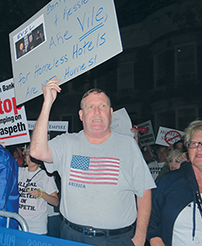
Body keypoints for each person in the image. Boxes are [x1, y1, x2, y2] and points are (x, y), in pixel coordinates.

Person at [30, 78, 155, 245]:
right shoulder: (67, 143)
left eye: (102, 106)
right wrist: (47, 103)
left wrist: (140, 235)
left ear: (110, 113)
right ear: (81, 115)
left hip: (117, 240)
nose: (97, 112)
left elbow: (144, 191)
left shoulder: (128, 144)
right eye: (90, 107)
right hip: (72, 236)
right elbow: (36, 151)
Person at [147, 120, 202, 245]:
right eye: (194, 143)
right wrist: (155, 239)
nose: (198, 148)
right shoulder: (169, 181)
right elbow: (149, 217)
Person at [18, 147, 59, 235]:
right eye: (28, 155)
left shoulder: (45, 176)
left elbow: (55, 202)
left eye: (33, 155)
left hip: (37, 227)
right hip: (18, 223)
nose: (30, 158)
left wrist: (41, 194)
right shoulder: (19, 171)